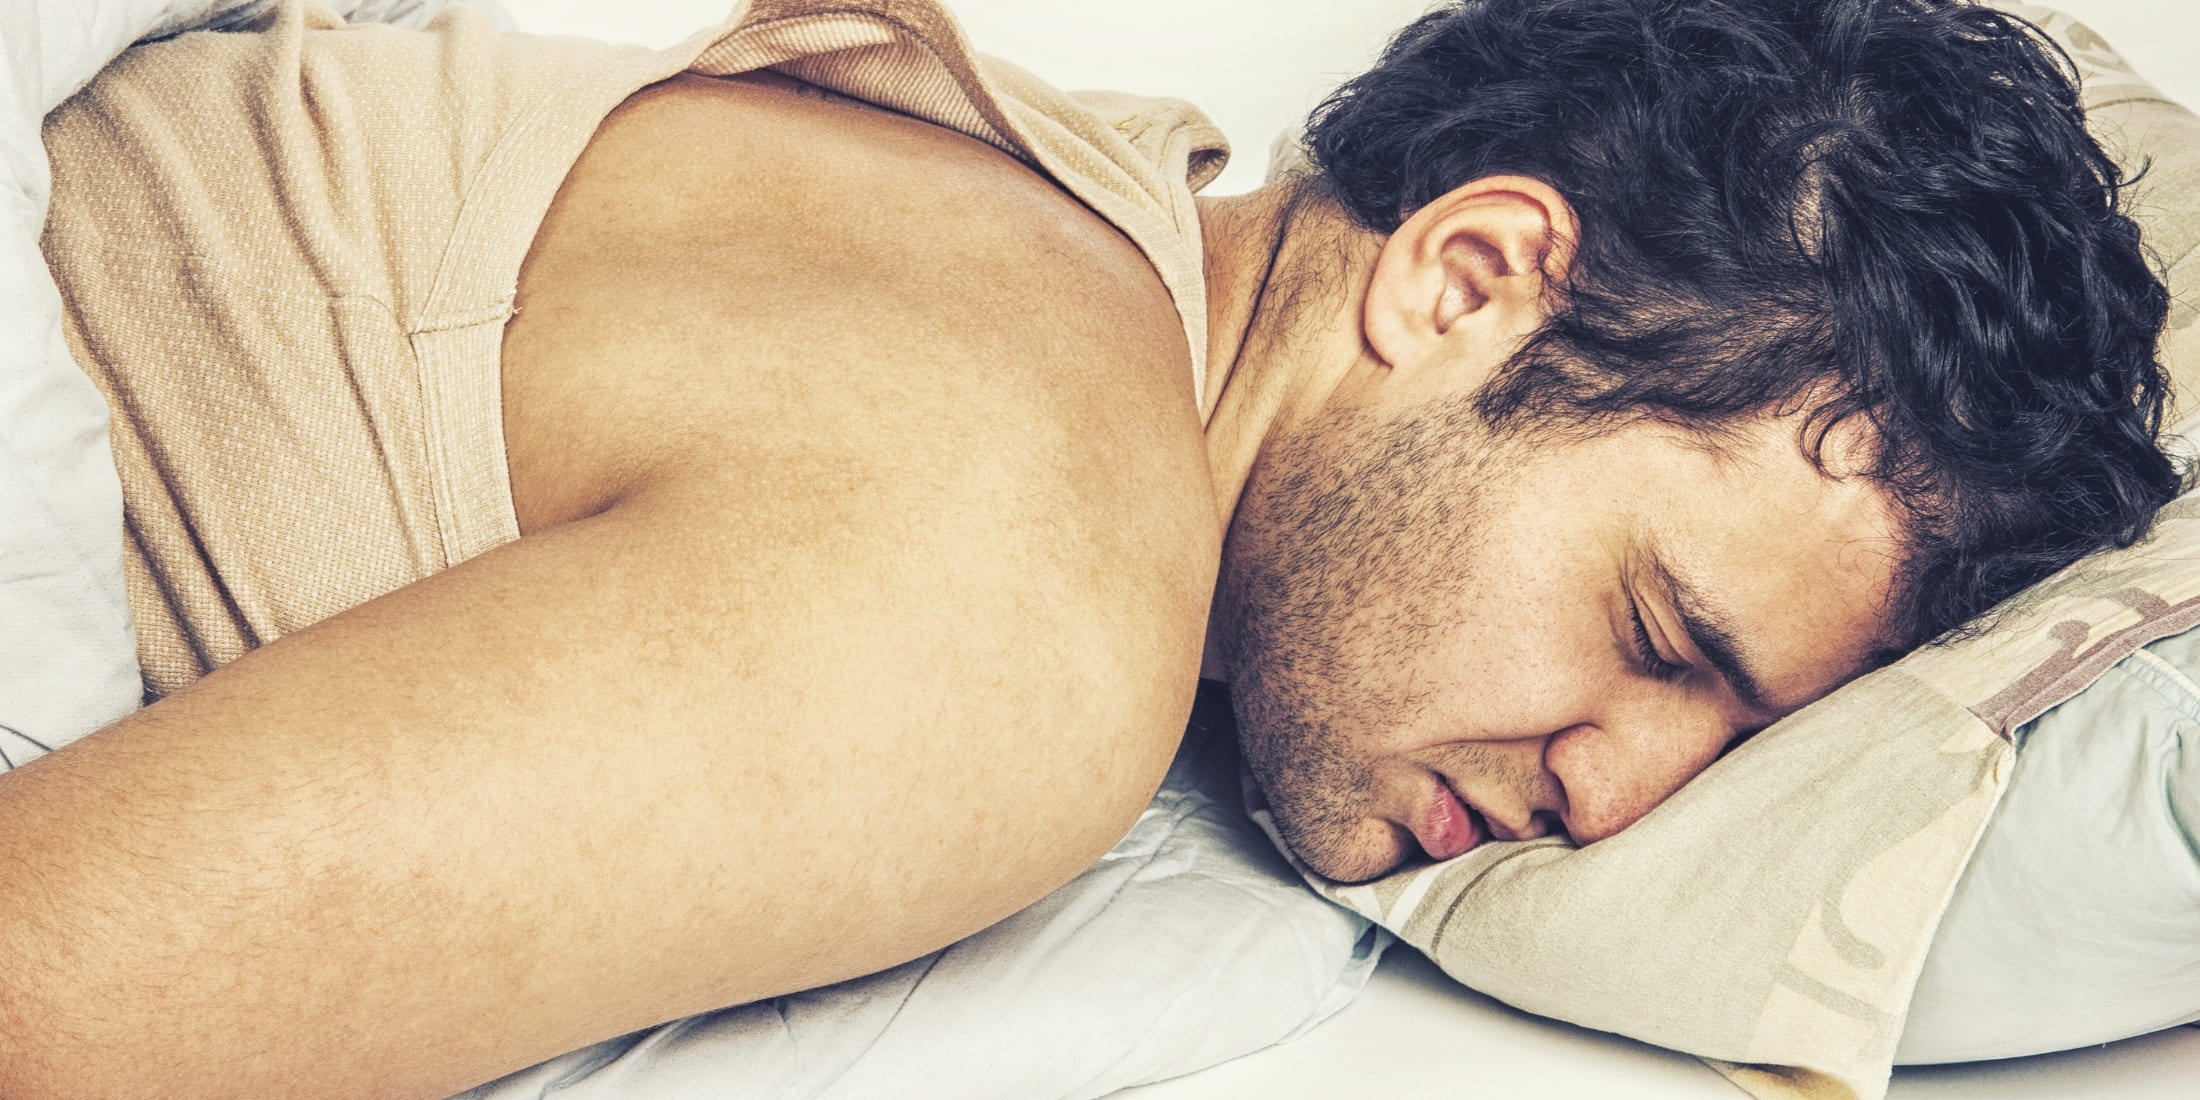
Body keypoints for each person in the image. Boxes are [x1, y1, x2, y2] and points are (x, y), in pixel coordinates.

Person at [0, 0, 2178, 1097]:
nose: (1606, 792)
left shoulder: (1000, 206)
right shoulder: (1019, 602)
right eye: (1651, 631)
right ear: (1463, 276)